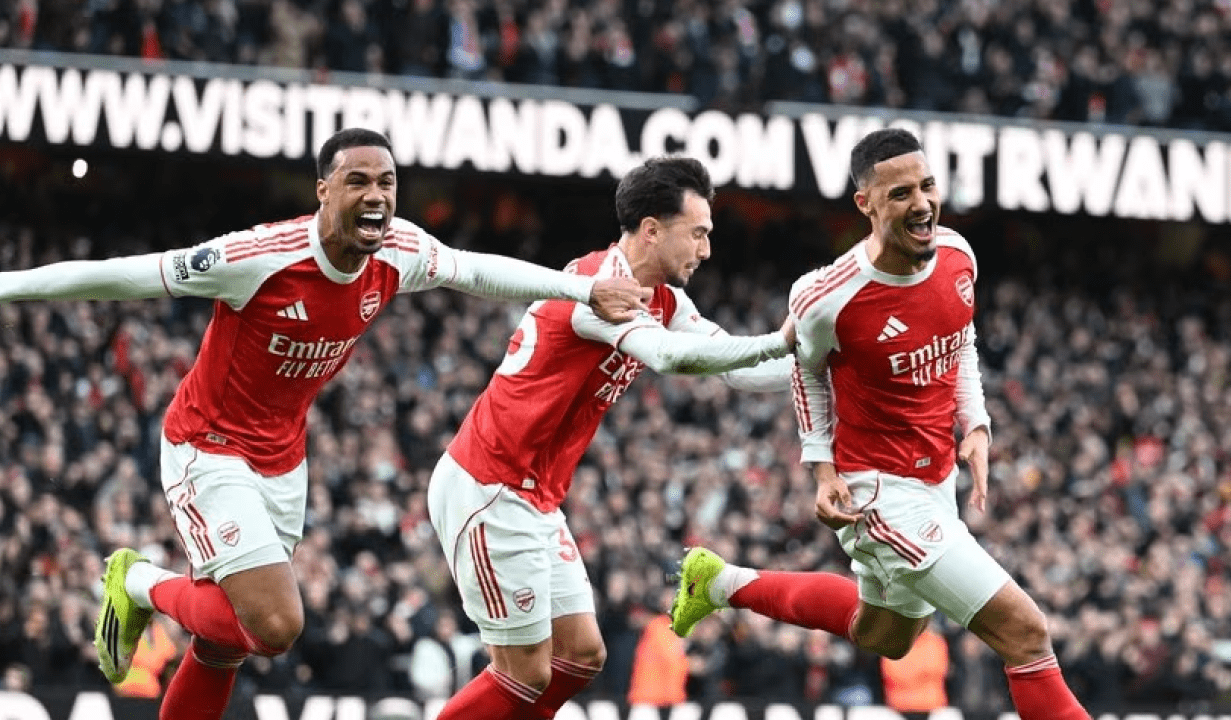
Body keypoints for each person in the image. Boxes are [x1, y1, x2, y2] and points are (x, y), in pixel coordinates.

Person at [0, 127, 647, 720]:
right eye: (358, 181)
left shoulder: (398, 253)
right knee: (275, 626)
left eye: (387, 182)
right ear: (322, 191)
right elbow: (124, 277)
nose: (376, 195)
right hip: (208, 448)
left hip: (283, 460)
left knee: (226, 640)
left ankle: (152, 594)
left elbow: (477, 269)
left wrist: (581, 291)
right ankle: (137, 580)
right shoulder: (261, 256)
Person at [669, 128, 1092, 720]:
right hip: (878, 493)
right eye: (900, 194)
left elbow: (960, 336)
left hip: (937, 480)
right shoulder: (829, 297)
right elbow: (806, 372)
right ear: (866, 204)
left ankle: (718, 583)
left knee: (887, 636)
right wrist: (821, 471)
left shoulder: (957, 256)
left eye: (927, 186)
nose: (921, 203)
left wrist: (975, 423)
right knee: (1025, 632)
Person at [426, 155, 795, 719]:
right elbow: (672, 358)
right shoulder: (598, 290)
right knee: (524, 670)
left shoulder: (664, 299)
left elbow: (736, 368)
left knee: (581, 654)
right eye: (697, 233)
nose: (707, 249)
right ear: (652, 229)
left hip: (534, 497)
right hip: (489, 487)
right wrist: (780, 339)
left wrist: (825, 362)